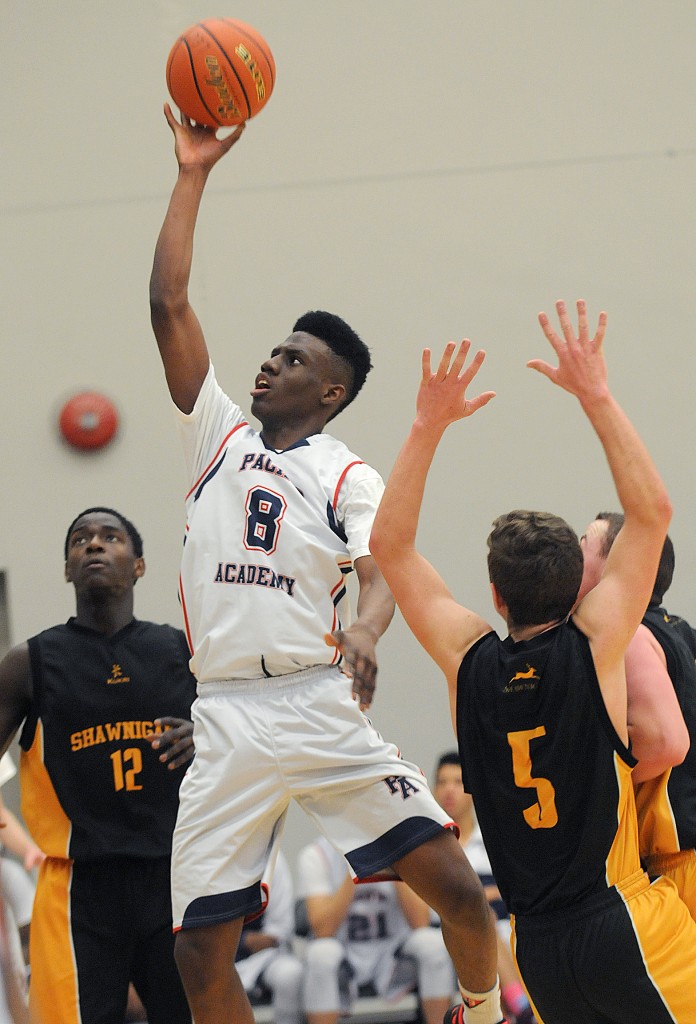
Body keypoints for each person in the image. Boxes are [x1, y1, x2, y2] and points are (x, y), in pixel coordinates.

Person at [149, 105, 503, 1024]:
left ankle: (475, 1005)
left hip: (312, 698)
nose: (268, 364)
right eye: (271, 351)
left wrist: (365, 626)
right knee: (196, 954)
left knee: (459, 893)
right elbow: (169, 305)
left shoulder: (345, 468)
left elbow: (383, 562)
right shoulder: (217, 436)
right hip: (223, 711)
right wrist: (192, 173)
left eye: (292, 359)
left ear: (330, 391)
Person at [370, 300, 696, 1023]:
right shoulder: (597, 644)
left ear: (492, 593)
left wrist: (427, 426)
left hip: (539, 952)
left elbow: (389, 546)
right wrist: (595, 393)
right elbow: (652, 512)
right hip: (623, 922)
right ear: (582, 586)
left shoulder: (467, 658)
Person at [0, 507, 197, 1024]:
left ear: (139, 566)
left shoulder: (181, 651)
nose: (93, 546)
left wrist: (209, 737)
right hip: (76, 889)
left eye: (110, 537)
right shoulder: (29, 662)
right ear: (67, 569)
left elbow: (248, 737)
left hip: (173, 876)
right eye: (80, 540)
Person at [578, 513, 696, 919]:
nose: (572, 558)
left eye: (583, 546)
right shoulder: (681, 630)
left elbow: (666, 742)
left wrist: (597, 789)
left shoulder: (629, 635)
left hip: (678, 860)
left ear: (618, 566)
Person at [297, 834, 454, 1024]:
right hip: (344, 958)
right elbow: (322, 930)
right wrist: (356, 865)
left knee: (433, 944)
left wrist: (394, 860)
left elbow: (420, 922)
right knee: (320, 953)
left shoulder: (400, 844)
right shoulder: (317, 854)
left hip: (393, 957)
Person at [433, 753, 535, 1024]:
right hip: (451, 932)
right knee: (482, 924)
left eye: (457, 781)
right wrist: (483, 897)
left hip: (504, 929)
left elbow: (524, 890)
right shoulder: (430, 849)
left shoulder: (494, 841)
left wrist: (479, 898)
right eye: (442, 782)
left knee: (493, 927)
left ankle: (515, 1009)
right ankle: (523, 1009)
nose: (449, 789)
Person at [235, 851, 304, 1024]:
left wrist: (239, 942)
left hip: (260, 960)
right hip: (208, 958)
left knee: (290, 974)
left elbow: (277, 933)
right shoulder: (206, 856)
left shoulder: (272, 857)